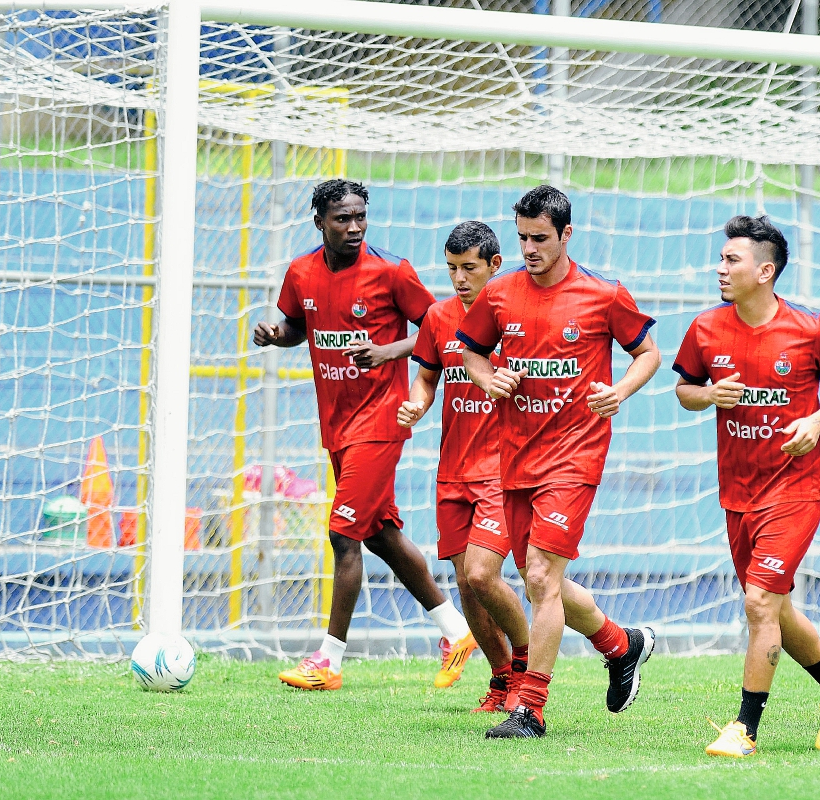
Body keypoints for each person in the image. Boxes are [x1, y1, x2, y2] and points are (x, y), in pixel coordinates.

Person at [457, 185, 662, 739]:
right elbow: (470, 349)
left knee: (542, 576)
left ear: (566, 235)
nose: (529, 247)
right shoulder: (499, 294)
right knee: (537, 577)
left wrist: (621, 391)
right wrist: (487, 376)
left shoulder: (602, 294)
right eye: (522, 237)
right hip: (517, 455)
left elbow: (648, 352)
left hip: (576, 454)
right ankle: (622, 645)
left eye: (540, 238)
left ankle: (530, 707)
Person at [254, 179, 475, 692]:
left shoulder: (391, 271)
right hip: (337, 424)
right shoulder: (301, 272)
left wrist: (390, 352)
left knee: (343, 534)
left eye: (360, 218)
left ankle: (328, 660)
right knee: (379, 534)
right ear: (319, 223)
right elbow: (297, 328)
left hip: (382, 421)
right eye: (342, 219)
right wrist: (275, 335)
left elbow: (439, 329)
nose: (354, 228)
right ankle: (456, 630)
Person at [672, 215, 820, 757]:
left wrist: (818, 420)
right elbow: (684, 390)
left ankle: (744, 730)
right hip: (737, 490)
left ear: (766, 271)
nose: (720, 268)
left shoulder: (810, 328)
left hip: (797, 488)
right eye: (721, 258)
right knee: (774, 607)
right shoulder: (706, 327)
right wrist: (710, 396)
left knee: (759, 602)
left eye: (731, 260)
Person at [398, 221, 533, 711]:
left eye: (468, 268)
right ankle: (501, 680)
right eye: (452, 268)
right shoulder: (438, 317)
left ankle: (526, 670)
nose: (459, 278)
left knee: (481, 573)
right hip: (451, 472)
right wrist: (416, 403)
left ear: (494, 266)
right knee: (466, 584)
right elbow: (427, 379)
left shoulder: (517, 314)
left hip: (502, 470)